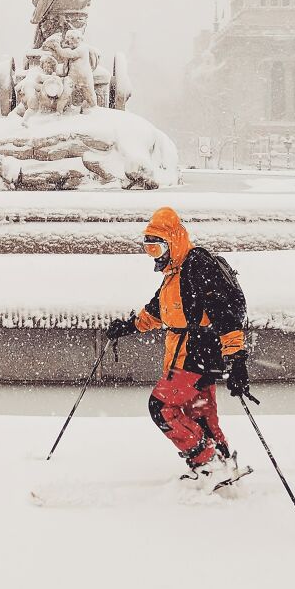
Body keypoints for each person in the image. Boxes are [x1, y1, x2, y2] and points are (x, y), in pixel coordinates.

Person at [106, 206, 250, 481]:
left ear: (172, 242)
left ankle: (206, 462)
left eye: (157, 250)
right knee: (199, 414)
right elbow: (157, 311)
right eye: (148, 251)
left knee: (161, 407)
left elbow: (224, 314)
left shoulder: (196, 264)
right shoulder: (174, 274)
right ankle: (222, 463)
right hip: (190, 354)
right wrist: (127, 327)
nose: (154, 259)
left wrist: (237, 359)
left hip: (197, 353)